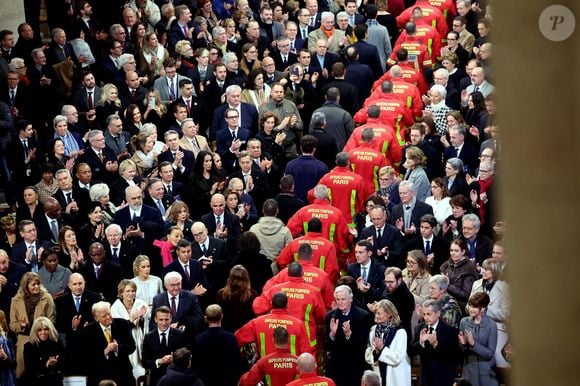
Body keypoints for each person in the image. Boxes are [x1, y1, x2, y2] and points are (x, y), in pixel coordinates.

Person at [9, 272, 55, 378]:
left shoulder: (47, 298)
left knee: (42, 373)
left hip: (42, 340)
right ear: (26, 286)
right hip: (23, 340)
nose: (37, 287)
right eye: (33, 284)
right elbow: (12, 325)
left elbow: (51, 320)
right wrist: (22, 326)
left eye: (38, 284)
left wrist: (42, 328)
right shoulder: (16, 300)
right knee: (23, 374)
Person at [325, 285, 373, 386]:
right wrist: (332, 334)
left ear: (351, 299)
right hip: (336, 367)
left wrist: (349, 335)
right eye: (338, 299)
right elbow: (326, 345)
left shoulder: (363, 316)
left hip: (355, 366)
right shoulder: (330, 316)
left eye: (343, 299)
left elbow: (364, 343)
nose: (340, 302)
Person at [80, 301, 136, 386]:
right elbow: (86, 356)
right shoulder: (88, 331)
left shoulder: (123, 324)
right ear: (96, 318)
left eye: (109, 314)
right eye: (104, 316)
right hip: (100, 376)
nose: (108, 317)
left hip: (123, 374)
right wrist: (105, 351)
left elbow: (132, 346)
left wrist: (117, 348)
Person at [470, 258, 510, 369]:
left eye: (487, 270)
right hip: (476, 325)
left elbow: (505, 314)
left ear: (495, 271)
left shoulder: (505, 288)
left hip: (497, 328)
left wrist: (486, 309)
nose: (482, 271)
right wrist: (474, 310)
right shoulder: (476, 284)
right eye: (483, 268)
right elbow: (469, 305)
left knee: (497, 360)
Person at [410, 299, 460, 386]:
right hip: (425, 378)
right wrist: (421, 342)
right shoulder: (419, 328)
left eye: (429, 314)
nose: (425, 317)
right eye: (424, 314)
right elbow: (411, 351)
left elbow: (453, 355)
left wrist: (436, 344)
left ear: (438, 314)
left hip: (443, 377)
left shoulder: (449, 330)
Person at [193, 304, 245, 386]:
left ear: (205, 318)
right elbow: (237, 362)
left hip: (206, 380)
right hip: (228, 381)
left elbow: (196, 363)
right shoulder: (231, 337)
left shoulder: (199, 339)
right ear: (222, 317)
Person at [365, 299, 411, 386]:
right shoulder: (373, 330)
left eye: (379, 313)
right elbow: (368, 353)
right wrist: (376, 353)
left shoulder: (400, 332)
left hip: (396, 378)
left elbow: (397, 358)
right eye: (375, 313)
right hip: (379, 375)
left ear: (389, 314)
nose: (376, 316)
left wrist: (382, 348)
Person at [141, 306, 188, 386]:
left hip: (177, 379)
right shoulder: (148, 337)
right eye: (161, 320)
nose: (164, 323)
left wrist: (175, 359)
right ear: (155, 320)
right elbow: (145, 362)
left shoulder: (180, 334)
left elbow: (186, 357)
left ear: (171, 319)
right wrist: (159, 361)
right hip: (156, 380)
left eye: (166, 319)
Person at [458, 293, 499, 386]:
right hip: (469, 370)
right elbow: (462, 352)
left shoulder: (491, 325)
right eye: (470, 305)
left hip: (486, 371)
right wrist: (463, 344)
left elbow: (489, 353)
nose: (471, 309)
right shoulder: (464, 322)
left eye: (475, 307)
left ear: (483, 309)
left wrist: (473, 344)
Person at [110, 280, 147, 379]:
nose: (131, 293)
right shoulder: (115, 307)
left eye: (133, 291)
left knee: (141, 367)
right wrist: (132, 318)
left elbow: (148, 322)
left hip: (140, 337)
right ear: (121, 293)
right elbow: (119, 329)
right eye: (128, 291)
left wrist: (142, 318)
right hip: (125, 340)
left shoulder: (141, 304)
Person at [21, 317, 63, 386]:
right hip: (36, 382)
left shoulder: (57, 343)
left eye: (46, 329)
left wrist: (54, 364)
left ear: (50, 330)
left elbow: (62, 364)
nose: (43, 332)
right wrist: (46, 364)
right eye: (39, 330)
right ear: (35, 331)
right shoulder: (29, 346)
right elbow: (30, 369)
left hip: (54, 381)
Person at [440, 239, 479, 312]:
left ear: (463, 252)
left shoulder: (469, 269)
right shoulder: (448, 264)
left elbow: (466, 295)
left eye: (456, 251)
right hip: (445, 300)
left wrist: (448, 285)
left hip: (460, 305)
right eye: (451, 250)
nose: (453, 253)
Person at [216, 265, 257, 332]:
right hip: (246, 332)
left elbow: (219, 315)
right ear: (246, 278)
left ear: (230, 278)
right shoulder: (253, 294)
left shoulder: (221, 294)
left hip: (227, 332)